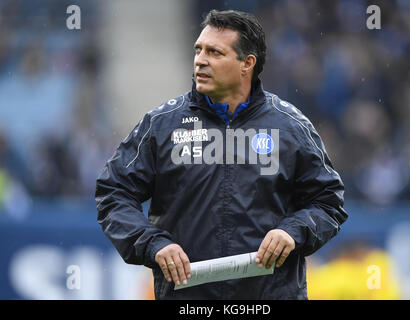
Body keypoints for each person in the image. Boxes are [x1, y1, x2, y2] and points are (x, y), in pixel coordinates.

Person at [95, 9, 348, 300]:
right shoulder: (161, 125)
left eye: (215, 52)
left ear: (247, 64)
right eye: (198, 50)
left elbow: (328, 202)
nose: (200, 60)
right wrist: (153, 244)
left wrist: (292, 232)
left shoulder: (290, 127)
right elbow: (113, 193)